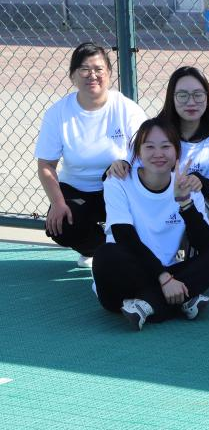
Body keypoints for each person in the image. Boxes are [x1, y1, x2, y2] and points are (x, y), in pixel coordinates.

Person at [92, 118, 209, 331]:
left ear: (177, 152)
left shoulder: (187, 184)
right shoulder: (118, 181)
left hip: (172, 271)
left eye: (166, 146)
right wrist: (164, 279)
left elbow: (206, 244)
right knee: (105, 254)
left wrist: (185, 203)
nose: (158, 153)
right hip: (130, 276)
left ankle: (147, 305)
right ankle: (182, 299)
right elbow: (124, 237)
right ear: (137, 153)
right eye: (149, 147)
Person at [34, 42, 146, 268]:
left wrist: (125, 161)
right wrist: (57, 203)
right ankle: (100, 249)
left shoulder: (126, 108)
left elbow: (146, 150)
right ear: (73, 76)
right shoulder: (58, 113)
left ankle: (136, 248)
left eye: (98, 69)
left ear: (109, 73)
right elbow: (46, 165)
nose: (92, 75)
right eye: (84, 69)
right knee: (60, 225)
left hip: (118, 186)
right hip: (77, 188)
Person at [109, 66, 209, 241]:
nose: (191, 102)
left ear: (208, 97)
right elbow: (131, 169)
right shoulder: (154, 131)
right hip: (152, 207)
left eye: (198, 95)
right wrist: (121, 164)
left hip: (189, 207)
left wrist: (200, 181)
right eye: (182, 95)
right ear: (171, 97)